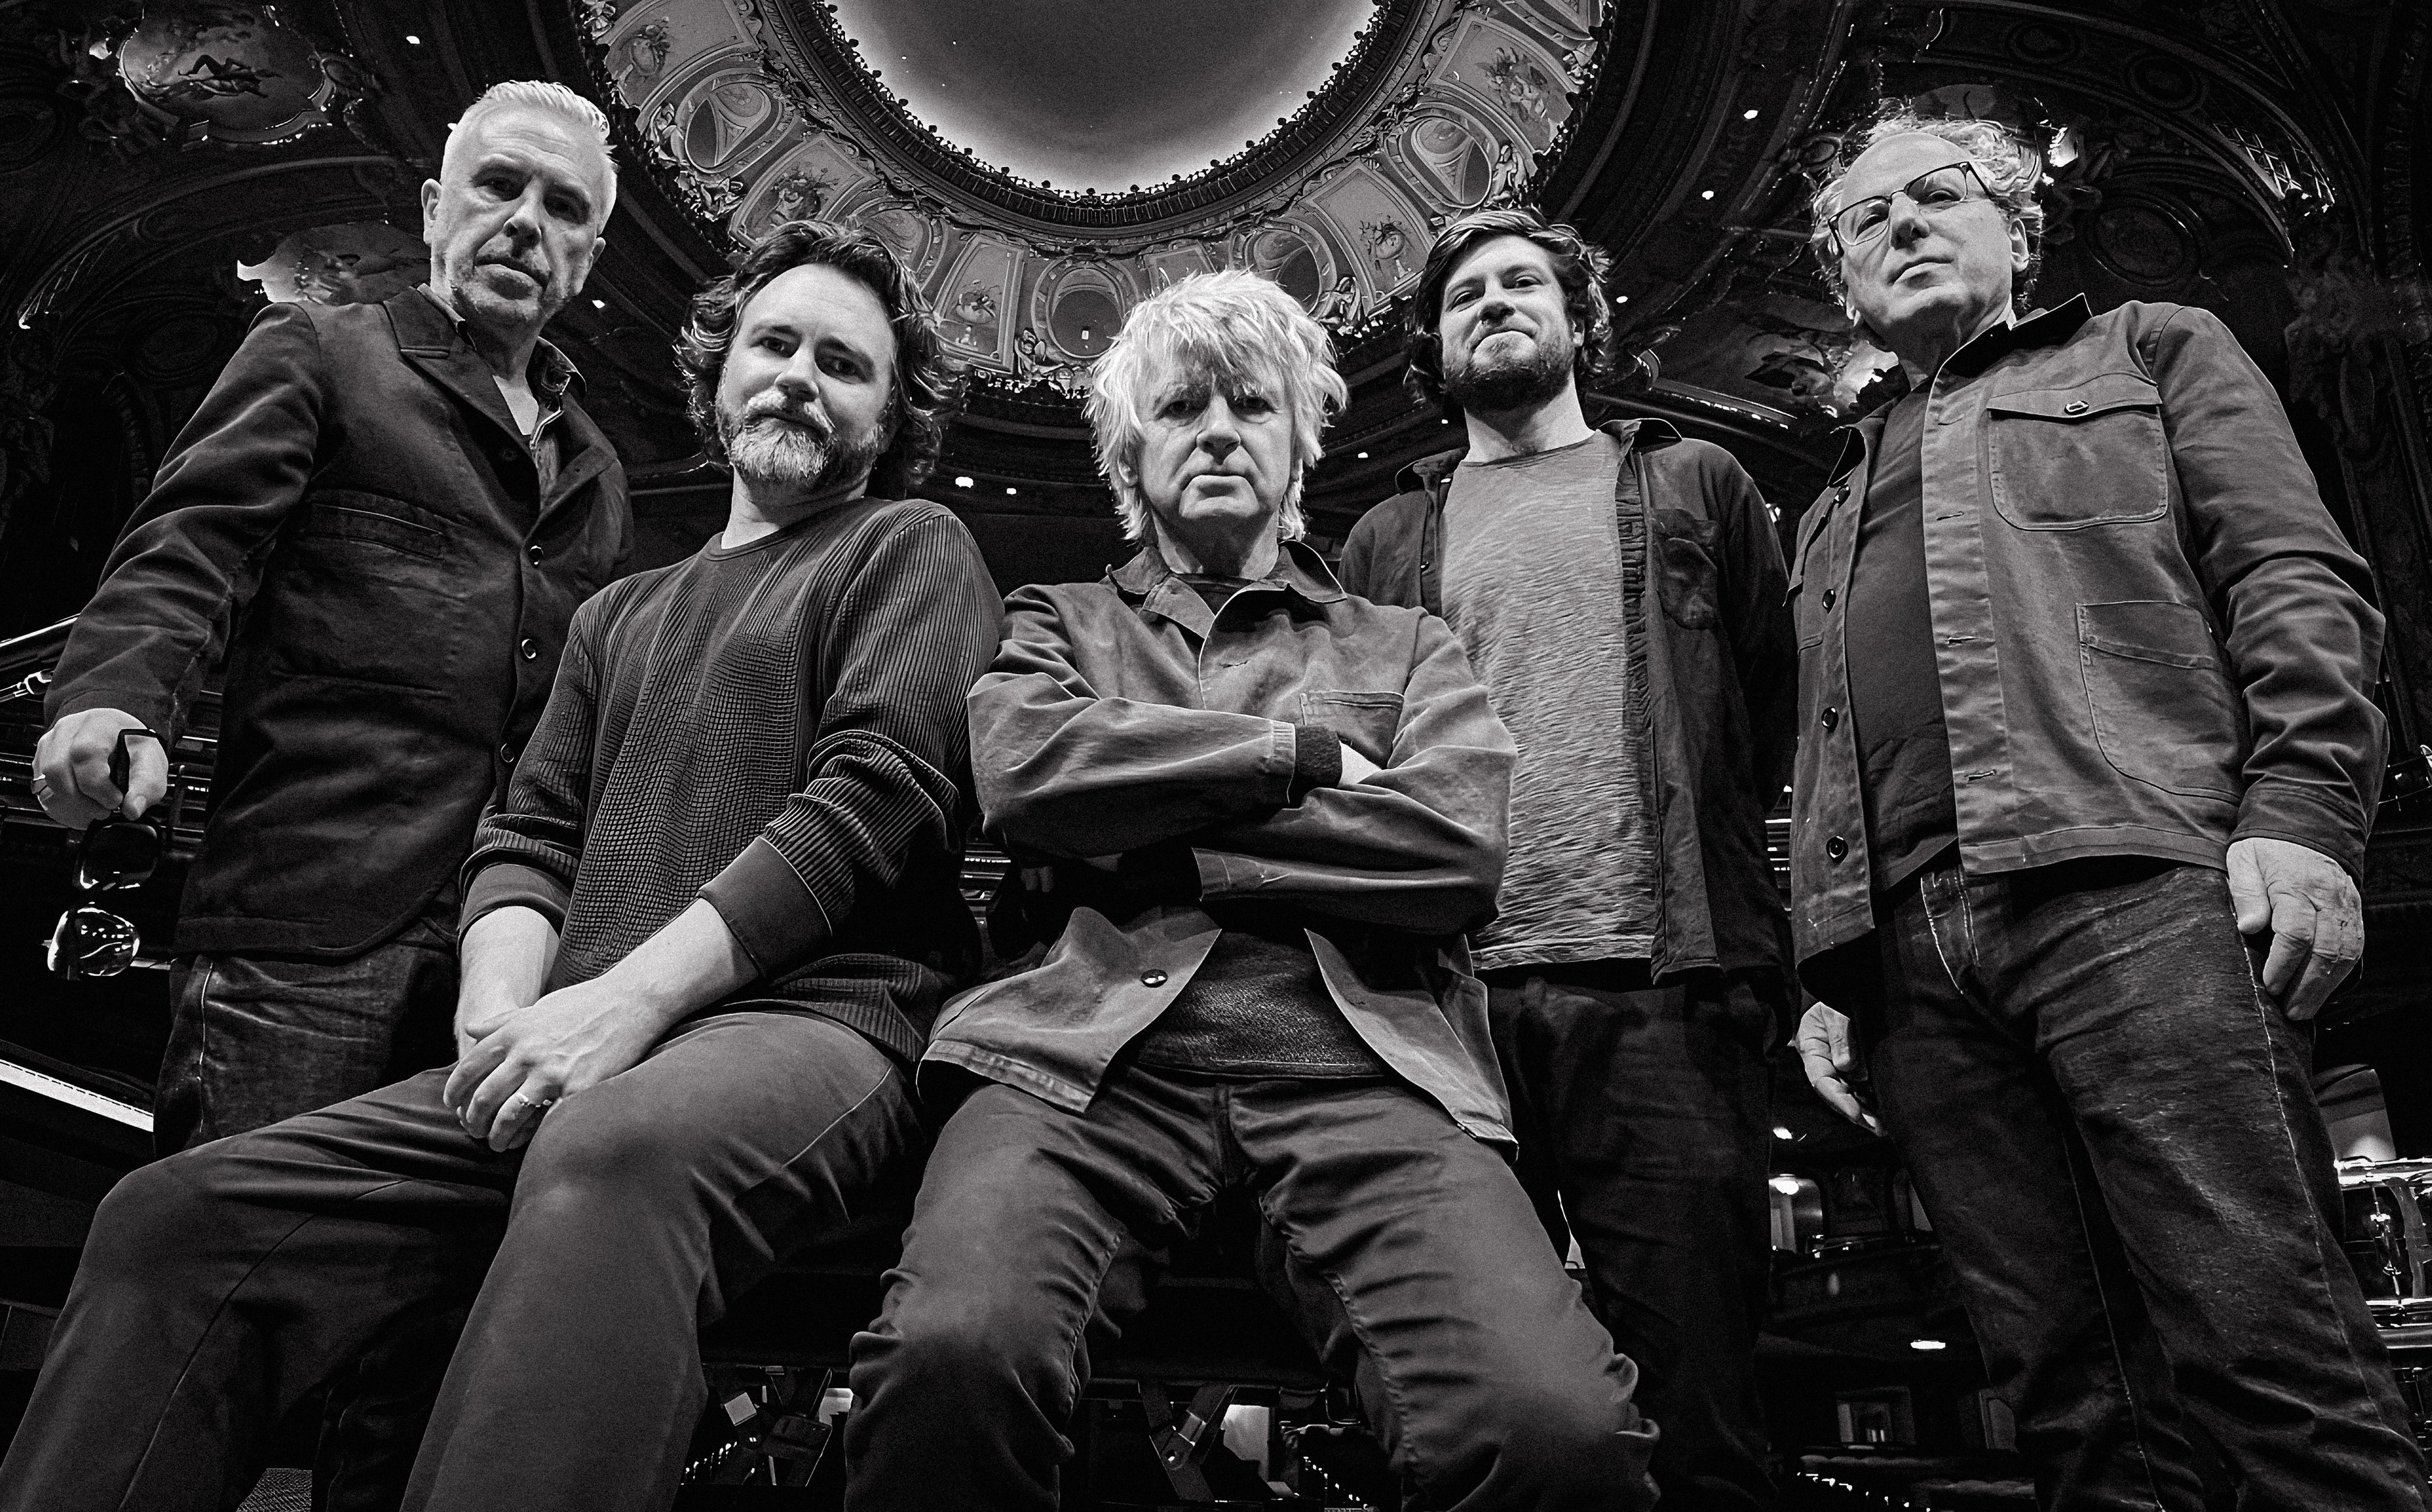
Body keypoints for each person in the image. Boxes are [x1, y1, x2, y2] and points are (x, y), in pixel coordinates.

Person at [0, 220, 1003, 1512]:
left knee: (607, 1148)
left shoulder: (910, 546)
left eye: (842, 363)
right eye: (774, 343)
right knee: (171, 1218)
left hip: (817, 1024)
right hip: (576, 1038)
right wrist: (499, 1015)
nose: (798, 375)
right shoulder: (615, 613)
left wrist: (625, 1005)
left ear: (891, 417)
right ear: (719, 372)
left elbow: (875, 802)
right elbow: (526, 839)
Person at [846, 270, 1660, 1512]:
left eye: (1250, 405)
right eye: (1180, 409)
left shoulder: (1409, 645)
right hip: (1075, 1070)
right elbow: (1024, 773)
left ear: (1297, 447)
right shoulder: (1054, 619)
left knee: (1561, 1434)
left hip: (1370, 1076)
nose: (1217, 428)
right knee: (948, 1360)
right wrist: (1300, 760)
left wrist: (1169, 830)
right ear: (1132, 455)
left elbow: (1455, 847)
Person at [1788, 106, 2430, 1509]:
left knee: (2271, 1347)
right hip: (1911, 968)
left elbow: (2292, 577)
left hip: (2136, 892)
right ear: (1841, 281)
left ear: (2018, 231)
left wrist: (2308, 815)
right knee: (2072, 1399)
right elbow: (1830, 749)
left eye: (1937, 195)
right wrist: (1831, 970)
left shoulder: (2149, 349)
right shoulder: (1824, 500)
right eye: (1863, 221)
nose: (1899, 225)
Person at [32, 80, 633, 1154]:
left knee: (407, 1301)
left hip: (501, 962)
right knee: (229, 1277)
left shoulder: (598, 473)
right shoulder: (320, 350)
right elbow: (192, 546)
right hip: (301, 926)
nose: (526, 223)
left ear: (585, 258)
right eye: (498, 186)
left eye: (563, 208)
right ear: (432, 210)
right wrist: (113, 700)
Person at [1340, 207, 1797, 1509]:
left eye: (1522, 283)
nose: (1493, 302)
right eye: (1465, 293)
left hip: (1664, 993)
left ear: (1579, 318)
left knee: (1701, 1399)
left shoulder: (1696, 482)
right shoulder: (1383, 541)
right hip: (1446, 1007)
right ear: (1433, 344)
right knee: (1467, 1397)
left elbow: (1765, 708)